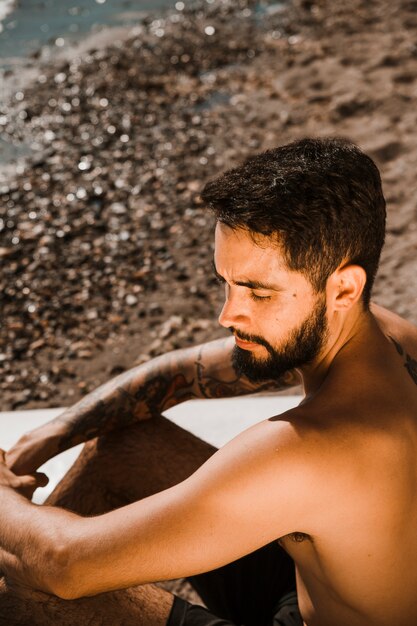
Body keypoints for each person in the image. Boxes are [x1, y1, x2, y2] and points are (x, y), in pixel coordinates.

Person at [1, 137, 416, 626]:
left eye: (257, 293)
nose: (227, 314)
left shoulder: (309, 448)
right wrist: (43, 439)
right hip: (317, 586)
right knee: (122, 446)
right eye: (227, 282)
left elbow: (63, 564)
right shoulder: (387, 335)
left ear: (344, 286)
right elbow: (182, 374)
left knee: (32, 592)